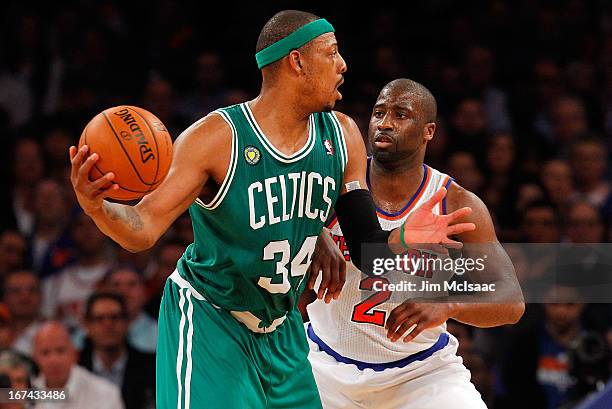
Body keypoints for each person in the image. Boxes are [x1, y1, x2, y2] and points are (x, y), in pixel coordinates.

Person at [69, 11, 474, 409]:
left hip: (281, 330)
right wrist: (97, 206)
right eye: (331, 53)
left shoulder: (343, 134)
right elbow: (141, 228)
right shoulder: (217, 138)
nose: (343, 65)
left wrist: (397, 237)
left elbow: (368, 249)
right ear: (296, 61)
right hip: (213, 319)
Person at [306, 79, 524, 408]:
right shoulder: (332, 185)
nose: (385, 123)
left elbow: (511, 303)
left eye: (401, 114)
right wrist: (314, 231)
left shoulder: (456, 204)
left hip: (421, 374)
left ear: (429, 131)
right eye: (379, 113)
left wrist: (450, 305)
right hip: (324, 365)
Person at [79, 293, 155, 409]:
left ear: (127, 322)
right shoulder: (75, 367)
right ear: (87, 325)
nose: (108, 324)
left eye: (115, 317)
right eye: (100, 319)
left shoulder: (152, 367)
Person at [31, 321, 124, 409]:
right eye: (45, 353)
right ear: (34, 357)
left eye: (60, 351)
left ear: (74, 354)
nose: (53, 360)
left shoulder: (106, 394)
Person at [3, 270, 43, 357]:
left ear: (41, 296)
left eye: (32, 290)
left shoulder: (54, 335)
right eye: (16, 291)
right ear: (5, 298)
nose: (25, 297)